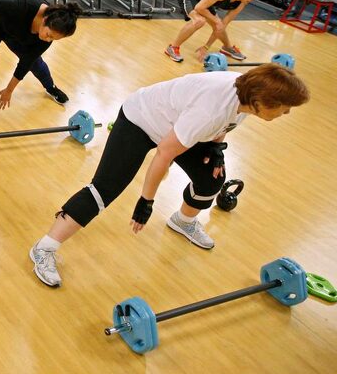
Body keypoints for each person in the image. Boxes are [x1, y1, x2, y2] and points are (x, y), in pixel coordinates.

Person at [28, 64, 309, 287]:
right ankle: (44, 248)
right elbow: (164, 152)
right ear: (264, 101)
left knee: (211, 179)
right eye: (285, 106)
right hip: (141, 120)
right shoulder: (211, 109)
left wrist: (217, 149)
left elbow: (226, 123)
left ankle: (183, 221)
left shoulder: (246, 96)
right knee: (105, 189)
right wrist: (146, 201)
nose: (286, 112)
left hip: (181, 127)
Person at [0, 0, 81, 115]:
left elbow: (26, 62)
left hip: (13, 33)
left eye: (53, 39)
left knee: (36, 63)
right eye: (49, 35)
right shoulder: (19, 6)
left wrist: (9, 90)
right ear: (44, 20)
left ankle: (51, 88)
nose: (48, 40)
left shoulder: (45, 39)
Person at [165, 0, 260, 64]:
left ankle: (227, 47)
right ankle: (173, 47)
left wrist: (206, 47)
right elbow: (199, 8)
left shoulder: (242, 3)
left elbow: (222, 26)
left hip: (205, 3)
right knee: (199, 21)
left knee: (219, 25)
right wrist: (216, 20)